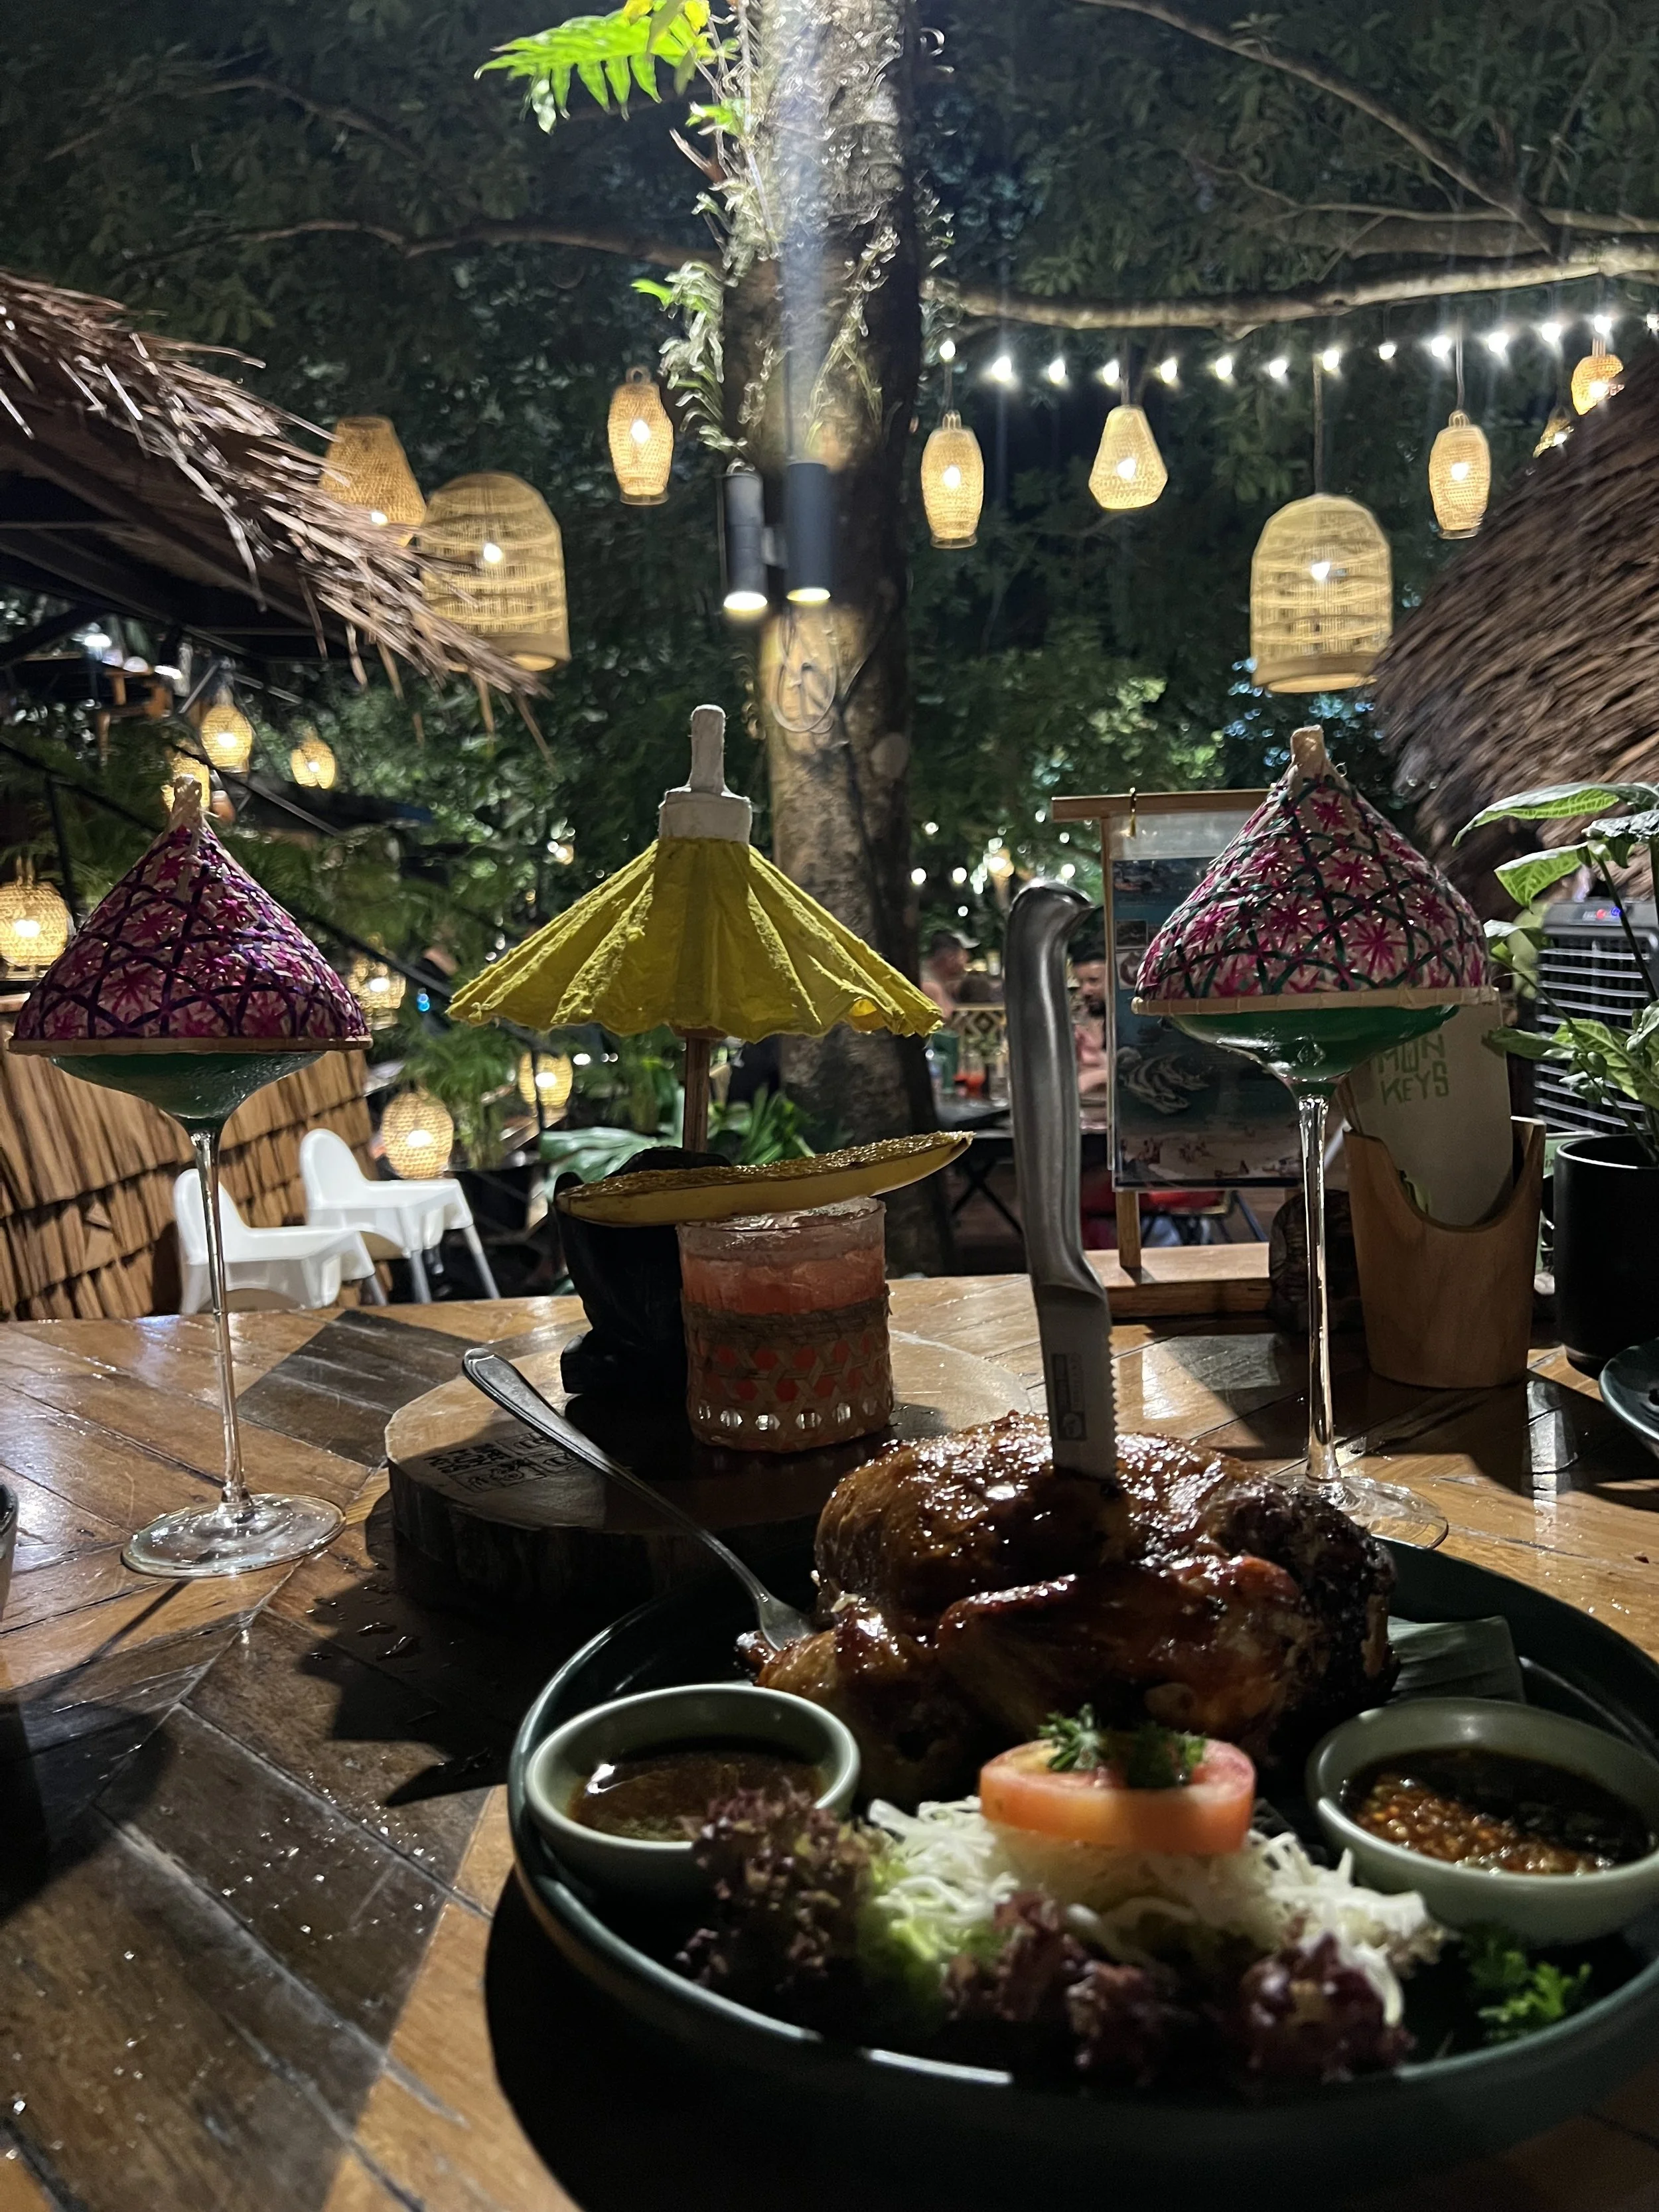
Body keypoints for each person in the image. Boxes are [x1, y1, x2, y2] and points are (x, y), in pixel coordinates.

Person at [922, 928, 1000, 1011]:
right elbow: (945, 1017)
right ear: (950, 958)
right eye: (964, 953)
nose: (968, 958)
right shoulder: (929, 986)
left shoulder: (938, 981)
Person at [1072, 954, 1110, 1097]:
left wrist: (1094, 1077)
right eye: (1080, 983)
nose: (1085, 991)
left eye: (1094, 981)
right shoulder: (1086, 1016)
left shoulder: (1132, 1020)